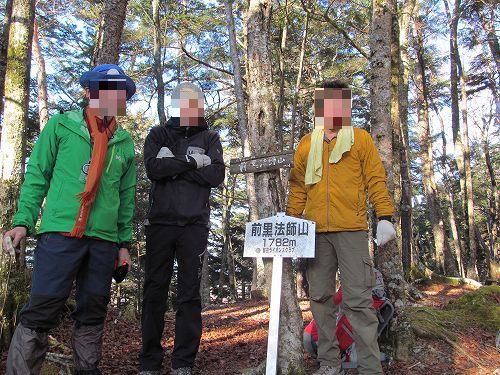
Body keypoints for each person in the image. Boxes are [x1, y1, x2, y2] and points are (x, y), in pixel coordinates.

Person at [2, 64, 137, 375]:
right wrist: (23, 220)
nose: (116, 97)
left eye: (121, 92)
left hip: (103, 240)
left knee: (92, 311)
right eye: (108, 89)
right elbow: (37, 176)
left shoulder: (125, 143)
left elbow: (125, 199)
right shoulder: (62, 126)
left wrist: (123, 245)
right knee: (42, 309)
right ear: (90, 92)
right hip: (60, 234)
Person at [286, 79, 396, 375]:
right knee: (320, 297)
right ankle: (330, 363)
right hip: (315, 234)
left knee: (359, 301)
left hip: (352, 231)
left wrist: (385, 216)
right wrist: (290, 222)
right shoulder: (307, 143)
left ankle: (371, 368)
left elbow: (375, 178)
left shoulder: (360, 139)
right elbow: (297, 188)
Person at [139, 82, 225, 375]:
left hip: (194, 226)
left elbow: (216, 174)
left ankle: (183, 362)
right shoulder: (158, 134)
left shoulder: (210, 137)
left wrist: (173, 162)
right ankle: (149, 361)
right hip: (160, 224)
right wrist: (192, 161)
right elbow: (153, 169)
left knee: (189, 295)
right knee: (154, 293)